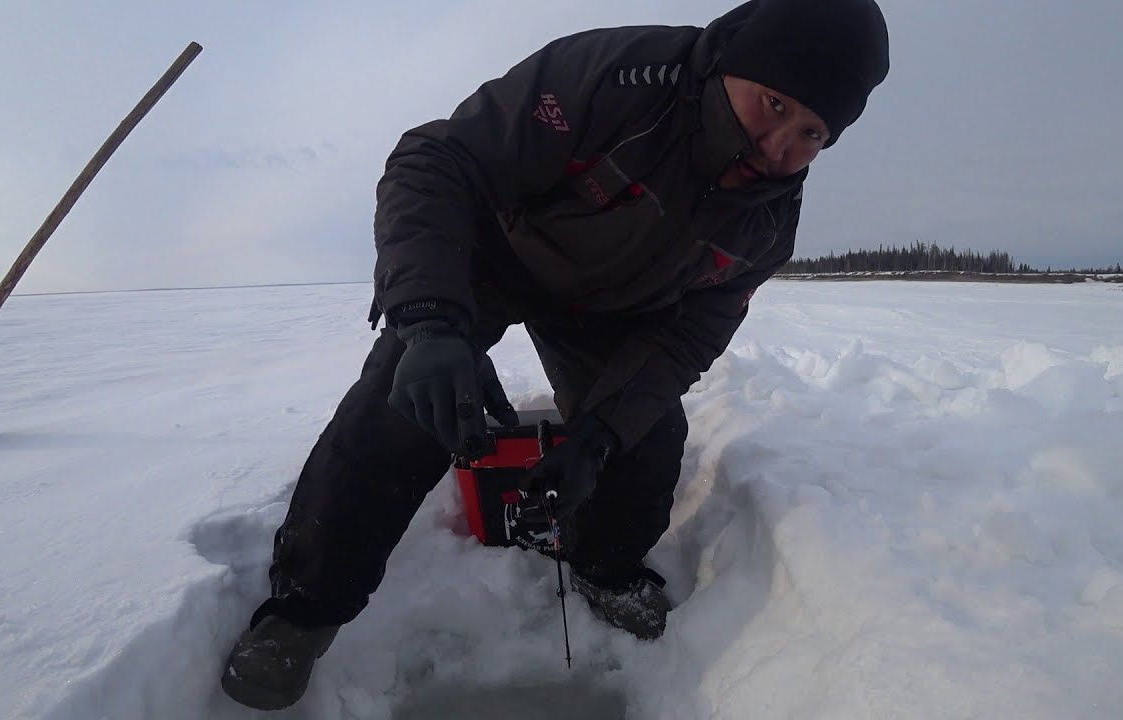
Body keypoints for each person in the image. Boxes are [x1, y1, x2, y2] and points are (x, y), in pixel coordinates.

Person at [221, 0, 889, 710]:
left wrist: (599, 436)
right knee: (403, 403)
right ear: (732, 61)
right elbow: (438, 160)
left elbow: (688, 337)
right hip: (497, 255)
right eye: (774, 102)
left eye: (811, 131)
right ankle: (302, 610)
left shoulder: (768, 223)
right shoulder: (616, 78)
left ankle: (602, 565)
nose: (778, 143)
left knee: (645, 438)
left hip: (617, 310)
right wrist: (429, 320)